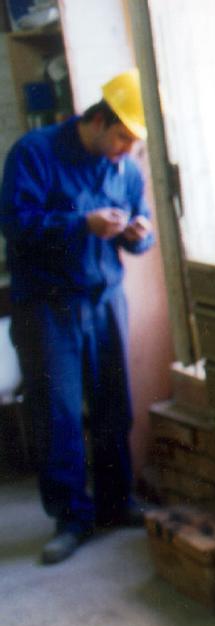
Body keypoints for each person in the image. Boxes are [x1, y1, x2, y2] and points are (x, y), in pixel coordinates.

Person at [0, 68, 154, 565]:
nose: (126, 151)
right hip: (47, 304)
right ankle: (71, 516)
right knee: (59, 413)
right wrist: (80, 223)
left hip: (104, 298)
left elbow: (141, 229)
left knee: (114, 402)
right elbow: (17, 227)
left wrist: (140, 234)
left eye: (133, 142)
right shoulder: (34, 153)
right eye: (121, 137)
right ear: (97, 119)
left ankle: (116, 500)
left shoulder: (125, 168)